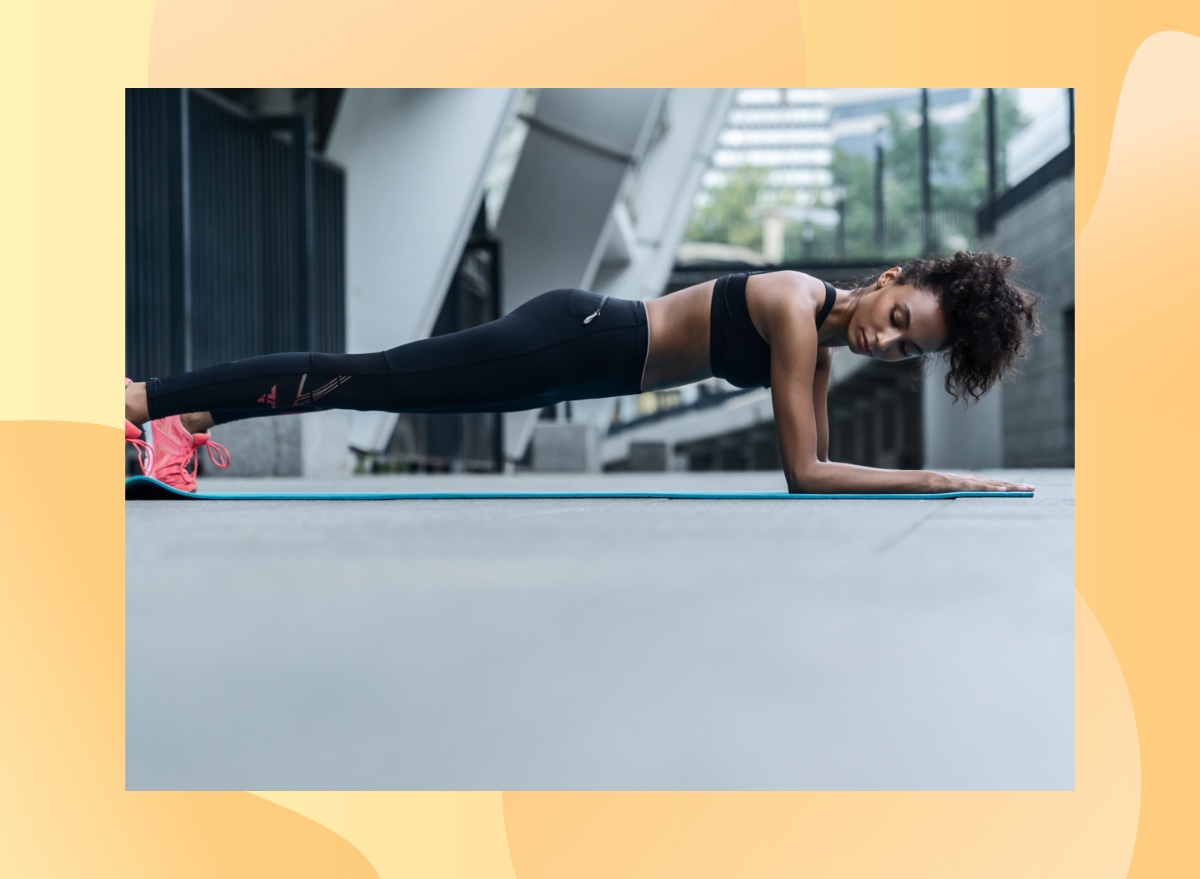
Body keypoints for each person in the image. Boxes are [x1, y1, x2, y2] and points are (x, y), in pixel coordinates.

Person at [124, 250, 1039, 494]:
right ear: (892, 280)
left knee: (380, 383)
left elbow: (826, 466)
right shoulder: (798, 312)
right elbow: (807, 475)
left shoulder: (820, 347)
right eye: (899, 320)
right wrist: (932, 476)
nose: (890, 341)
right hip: (574, 336)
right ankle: (146, 398)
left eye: (911, 349)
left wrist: (908, 482)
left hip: (571, 361)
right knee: (373, 378)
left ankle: (187, 424)